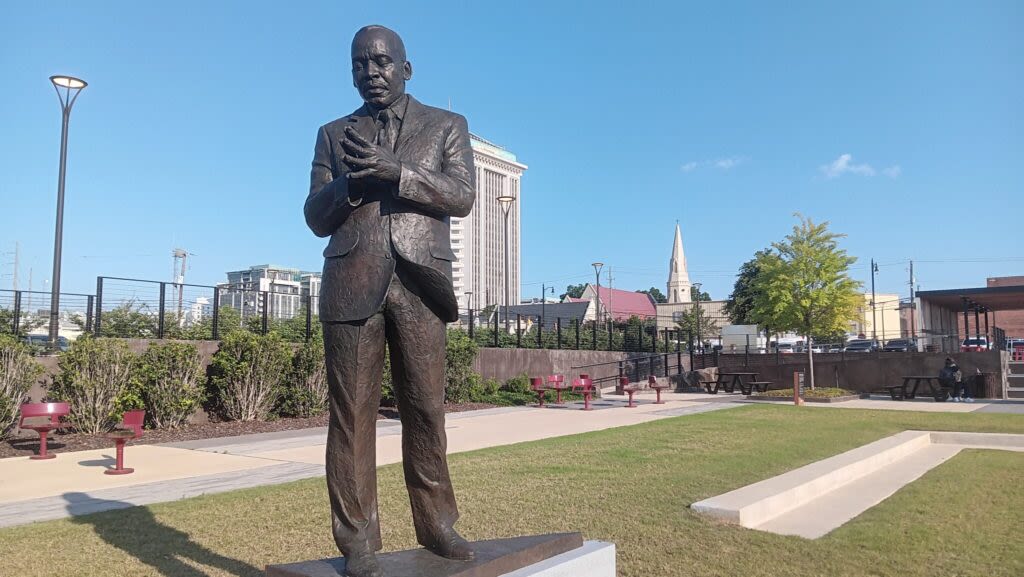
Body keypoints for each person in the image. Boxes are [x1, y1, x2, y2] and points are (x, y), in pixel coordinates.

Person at [304, 25, 475, 577]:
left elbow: (462, 195)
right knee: (350, 418)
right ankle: (358, 540)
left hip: (421, 283)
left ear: (407, 67)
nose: (370, 73)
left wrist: (397, 172)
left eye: (381, 63)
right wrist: (350, 182)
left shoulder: (447, 125)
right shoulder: (334, 134)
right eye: (359, 65)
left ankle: (438, 525)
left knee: (425, 411)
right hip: (352, 283)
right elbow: (313, 216)